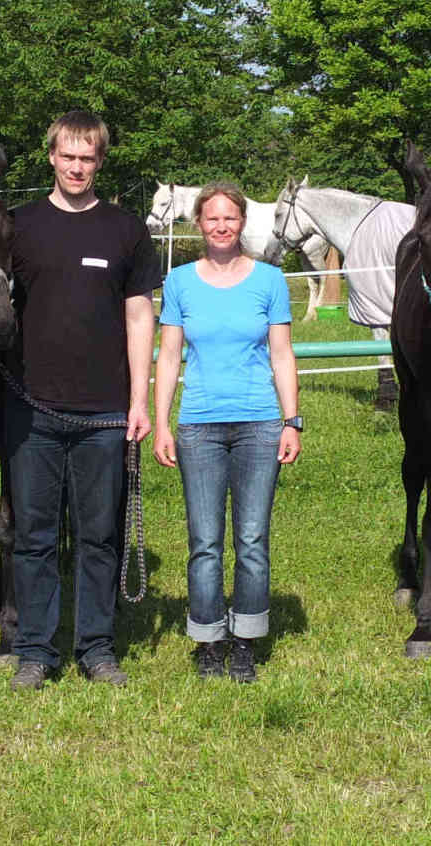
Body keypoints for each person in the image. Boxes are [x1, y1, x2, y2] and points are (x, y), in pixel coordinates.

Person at [3, 111, 159, 690]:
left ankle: (96, 647)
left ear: (100, 161)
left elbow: (140, 315)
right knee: (35, 534)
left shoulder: (125, 229)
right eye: (68, 155)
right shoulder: (18, 227)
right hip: (31, 407)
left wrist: (139, 400)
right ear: (51, 156)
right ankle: (36, 652)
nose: (76, 167)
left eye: (87, 157)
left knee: (100, 535)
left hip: (106, 413)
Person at [152, 182, 301, 684]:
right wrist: (162, 424)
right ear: (199, 224)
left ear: (242, 224)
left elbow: (281, 353)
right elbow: (169, 355)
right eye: (212, 218)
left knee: (253, 538)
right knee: (205, 541)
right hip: (198, 426)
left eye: (230, 218)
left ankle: (245, 640)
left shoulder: (269, 280)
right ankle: (208, 640)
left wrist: (291, 420)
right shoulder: (178, 282)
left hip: (259, 424)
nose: (221, 226)